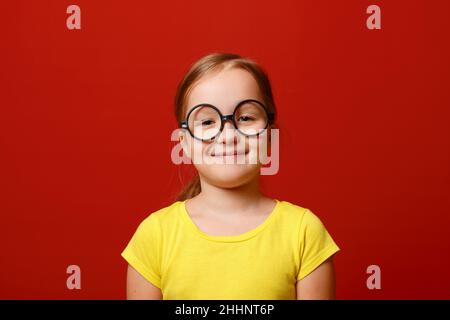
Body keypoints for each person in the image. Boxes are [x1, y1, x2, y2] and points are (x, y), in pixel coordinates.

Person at [121, 52, 340, 300]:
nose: (227, 135)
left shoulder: (304, 232)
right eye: (206, 122)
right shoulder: (154, 236)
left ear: (270, 135)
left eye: (245, 118)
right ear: (184, 143)